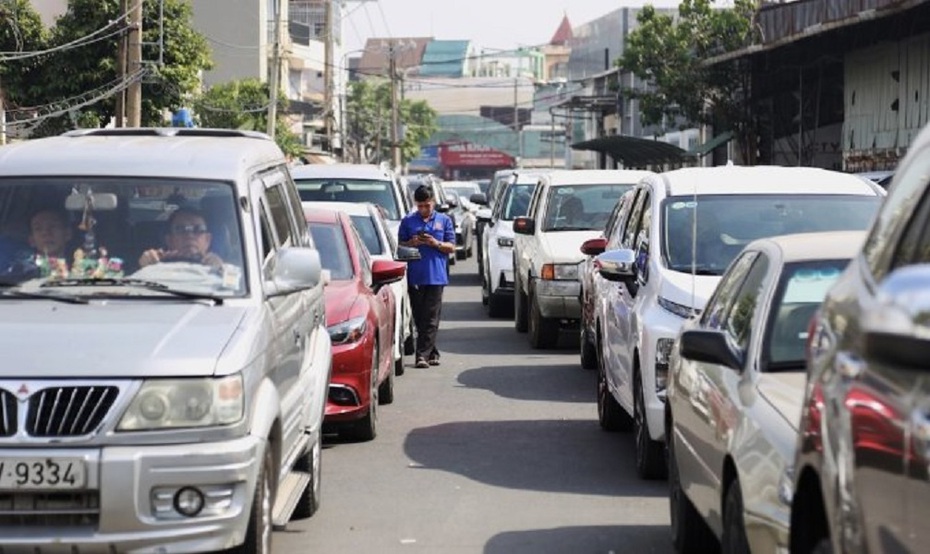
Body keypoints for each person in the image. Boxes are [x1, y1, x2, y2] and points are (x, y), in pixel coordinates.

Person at [398, 185, 456, 368]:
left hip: (436, 276)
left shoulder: (444, 220)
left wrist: (435, 243)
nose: (423, 209)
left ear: (433, 203)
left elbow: (451, 247)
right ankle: (432, 351)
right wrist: (412, 242)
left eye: (427, 205)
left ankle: (421, 355)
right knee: (420, 316)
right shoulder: (408, 221)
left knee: (431, 316)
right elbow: (399, 246)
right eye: (420, 206)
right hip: (415, 276)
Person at [138, 209, 223, 268]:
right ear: (169, 240)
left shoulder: (223, 270)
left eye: (198, 229)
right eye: (181, 229)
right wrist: (145, 266)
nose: (190, 235)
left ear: (207, 240)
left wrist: (221, 269)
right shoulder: (154, 265)